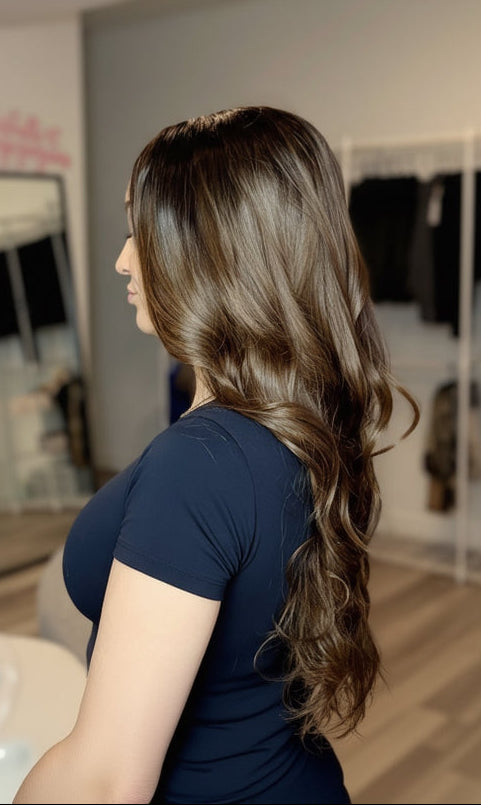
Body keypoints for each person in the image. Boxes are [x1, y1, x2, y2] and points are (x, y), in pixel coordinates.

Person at [13, 106, 418, 805]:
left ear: (210, 253)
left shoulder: (197, 464)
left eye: (140, 231)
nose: (121, 258)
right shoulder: (306, 418)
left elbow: (107, 781)